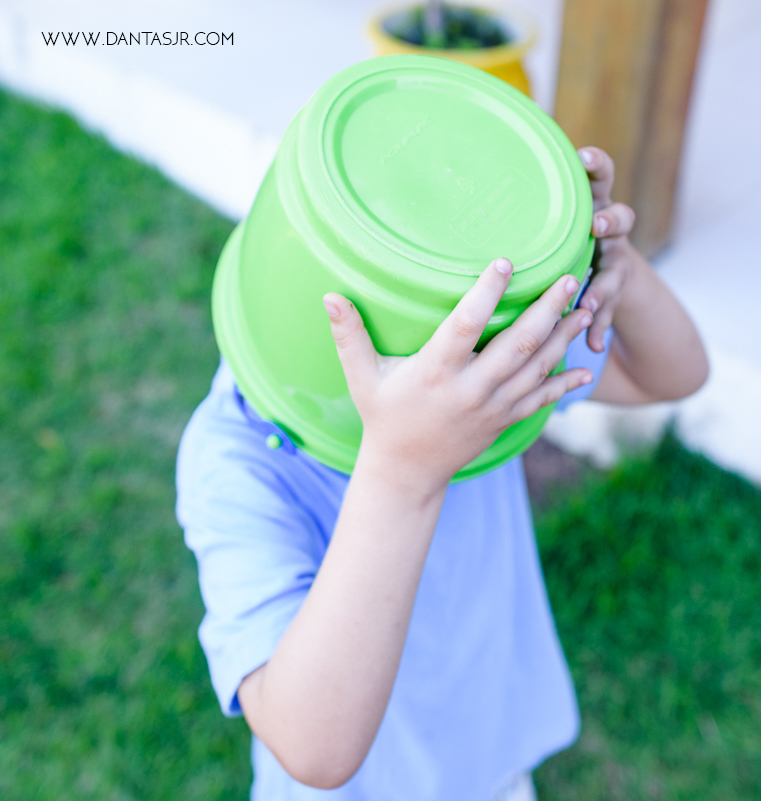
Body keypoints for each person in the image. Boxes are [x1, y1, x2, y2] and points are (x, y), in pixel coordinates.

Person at [176, 146, 709, 800]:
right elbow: (314, 748)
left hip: (490, 769)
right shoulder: (235, 461)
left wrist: (613, 268)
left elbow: (673, 370)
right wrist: (404, 468)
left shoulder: (470, 383)